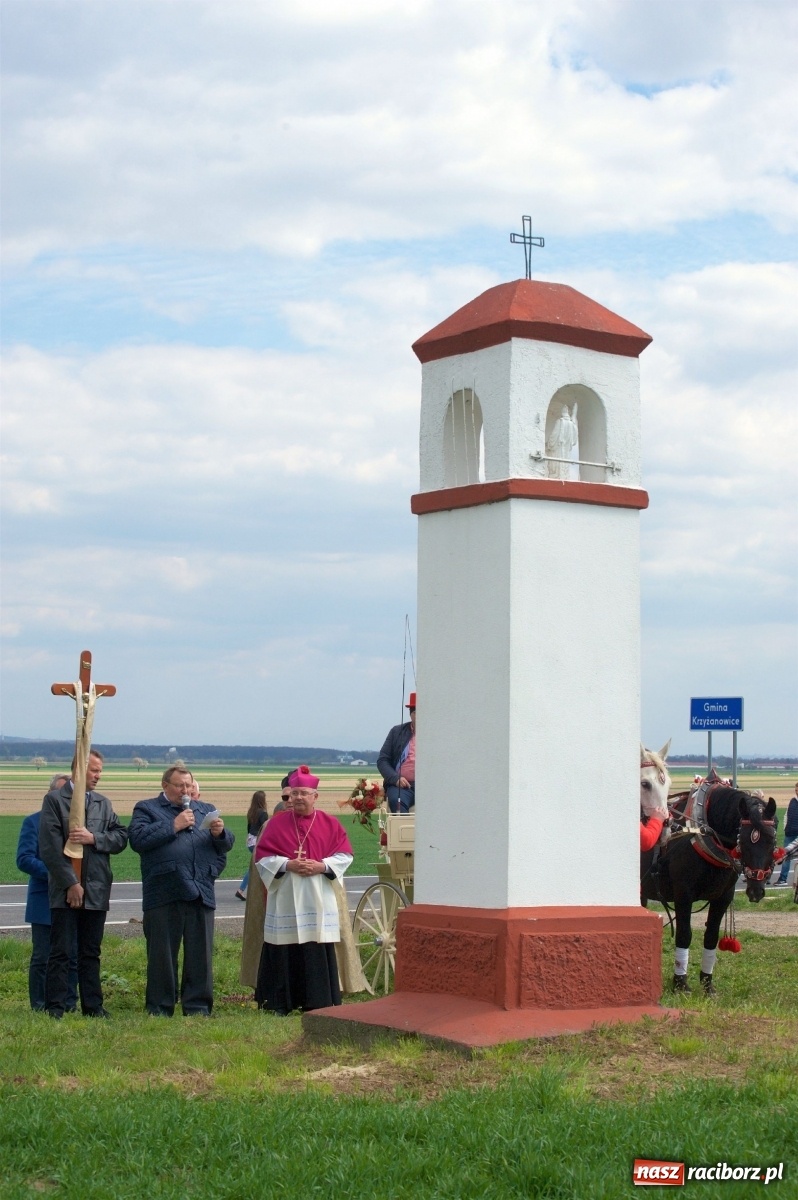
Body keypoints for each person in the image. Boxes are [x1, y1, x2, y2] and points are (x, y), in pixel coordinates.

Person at [129, 765, 234, 1016]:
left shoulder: (205, 809)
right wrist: (173, 825)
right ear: (165, 786)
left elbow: (224, 847)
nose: (185, 790)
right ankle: (160, 1007)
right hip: (164, 890)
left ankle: (198, 1007)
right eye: (179, 785)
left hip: (200, 890)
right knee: (162, 955)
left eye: (188, 785)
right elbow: (138, 840)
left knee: (200, 954)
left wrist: (221, 834)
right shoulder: (146, 808)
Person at [254, 765, 353, 1014]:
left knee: (315, 947)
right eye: (294, 793)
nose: (298, 798)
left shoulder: (330, 823)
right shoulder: (276, 824)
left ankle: (317, 1001)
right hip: (286, 896)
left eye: (304, 793)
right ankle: (279, 1003)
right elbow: (262, 859)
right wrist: (288, 864)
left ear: (315, 796)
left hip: (317, 896)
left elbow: (345, 856)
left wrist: (322, 866)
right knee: (283, 947)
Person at [39, 750, 129, 1019]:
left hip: (97, 888)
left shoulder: (103, 803)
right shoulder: (55, 801)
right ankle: (55, 1008)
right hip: (65, 891)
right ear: (78, 768)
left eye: (100, 771)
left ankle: (93, 1007)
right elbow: (50, 849)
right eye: (94, 770)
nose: (98, 776)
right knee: (61, 951)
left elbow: (120, 838)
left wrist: (94, 838)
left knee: (91, 952)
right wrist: (71, 883)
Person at [15, 774, 78, 1012]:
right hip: (44, 898)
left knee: (71, 954)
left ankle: (68, 1003)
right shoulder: (33, 822)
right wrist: (60, 875)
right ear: (49, 796)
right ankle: (40, 1004)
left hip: (74, 899)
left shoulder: (78, 824)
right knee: (43, 956)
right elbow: (24, 859)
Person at [377, 693, 416, 813]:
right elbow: (383, 760)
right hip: (402, 786)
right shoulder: (396, 732)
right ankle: (402, 825)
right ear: (411, 714)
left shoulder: (438, 735)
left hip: (431, 786)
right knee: (397, 802)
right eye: (416, 712)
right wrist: (395, 779)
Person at [236, 790, 269, 900]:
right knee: (259, 866)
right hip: (258, 841)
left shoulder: (251, 812)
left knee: (257, 866)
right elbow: (265, 829)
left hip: (250, 840)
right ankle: (242, 889)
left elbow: (249, 828)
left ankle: (244, 889)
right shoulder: (263, 813)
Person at [546, 403, 578, 480]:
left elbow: (554, 434)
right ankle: (564, 474)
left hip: (559, 447)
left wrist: (549, 444)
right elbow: (574, 439)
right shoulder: (571, 424)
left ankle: (557, 474)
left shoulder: (559, 421)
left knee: (556, 463)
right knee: (565, 462)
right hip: (567, 449)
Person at [776, 782, 798, 885]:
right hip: (789, 833)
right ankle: (783, 878)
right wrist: (785, 827)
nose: (797, 792)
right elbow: (786, 815)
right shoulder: (792, 801)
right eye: (796, 790)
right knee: (785, 855)